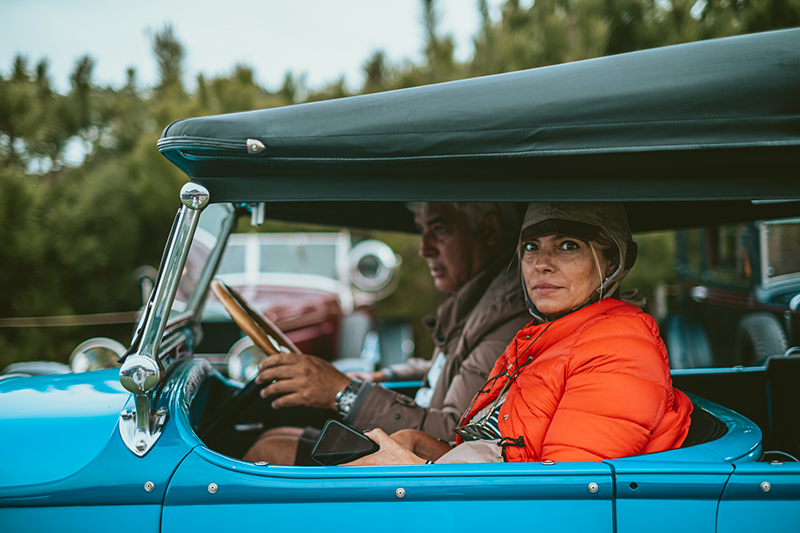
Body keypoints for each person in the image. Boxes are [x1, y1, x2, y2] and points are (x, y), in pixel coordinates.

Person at [347, 202, 693, 465]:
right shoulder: (544, 338)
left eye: (568, 245)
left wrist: (416, 473)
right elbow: (507, 449)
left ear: (614, 261)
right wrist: (422, 446)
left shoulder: (618, 350)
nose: (542, 263)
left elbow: (569, 497)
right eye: (531, 246)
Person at [243, 202, 531, 464]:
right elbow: (448, 369)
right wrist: (379, 378)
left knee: (270, 451)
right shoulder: (480, 300)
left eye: (440, 229)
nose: (424, 249)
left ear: (490, 230)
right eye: (422, 230)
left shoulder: (508, 312)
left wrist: (342, 391)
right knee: (275, 436)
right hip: (413, 442)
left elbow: (454, 434)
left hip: (427, 465)